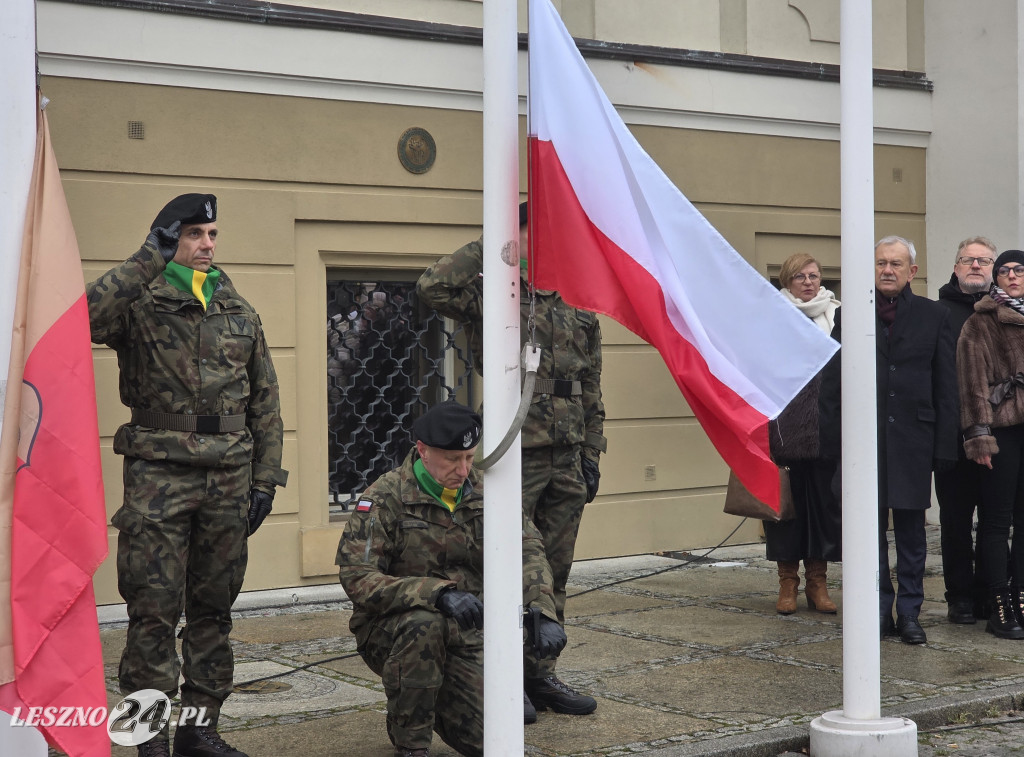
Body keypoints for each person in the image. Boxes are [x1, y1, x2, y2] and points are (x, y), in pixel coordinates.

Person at [88, 194, 288, 757]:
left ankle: (200, 729)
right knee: (152, 609)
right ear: (168, 238)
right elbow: (84, 316)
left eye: (213, 234)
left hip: (229, 476)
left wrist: (266, 479)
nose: (207, 245)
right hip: (160, 475)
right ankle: (147, 734)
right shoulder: (139, 299)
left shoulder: (237, 308)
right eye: (195, 233)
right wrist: (144, 260)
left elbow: (266, 401)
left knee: (213, 608)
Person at [416, 202, 604, 715]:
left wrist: (592, 452)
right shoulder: (494, 292)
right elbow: (431, 287)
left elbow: (591, 386)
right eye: (532, 229)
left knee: (555, 572)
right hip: (512, 452)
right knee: (504, 568)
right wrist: (497, 246)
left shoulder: (577, 297)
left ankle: (540, 675)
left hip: (566, 456)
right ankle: (500, 677)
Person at [335, 401, 566, 757]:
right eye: (452, 460)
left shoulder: (488, 490)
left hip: (468, 631)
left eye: (470, 458)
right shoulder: (385, 497)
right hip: (393, 630)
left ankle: (424, 699)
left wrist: (543, 608)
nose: (463, 470)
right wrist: (435, 594)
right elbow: (358, 577)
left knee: (494, 741)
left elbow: (528, 549)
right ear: (423, 451)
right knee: (424, 624)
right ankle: (411, 742)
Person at [820, 235, 958, 645]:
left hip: (915, 440)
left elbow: (946, 386)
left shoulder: (935, 316)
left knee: (913, 534)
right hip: (866, 440)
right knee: (869, 531)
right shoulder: (852, 314)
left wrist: (945, 447)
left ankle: (910, 612)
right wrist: (832, 441)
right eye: (881, 263)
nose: (887, 270)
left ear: (911, 271)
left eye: (896, 264)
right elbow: (833, 381)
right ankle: (879, 609)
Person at [764, 253, 841, 615]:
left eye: (813, 275)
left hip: (827, 429)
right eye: (799, 277)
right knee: (785, 511)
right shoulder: (771, 318)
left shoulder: (837, 316)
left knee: (822, 509)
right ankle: (787, 584)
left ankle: (817, 583)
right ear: (786, 281)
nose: (808, 282)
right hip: (784, 432)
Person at [957, 249, 1024, 639]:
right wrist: (978, 434)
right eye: (1004, 271)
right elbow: (971, 385)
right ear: (996, 279)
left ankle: (1021, 598)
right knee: (997, 521)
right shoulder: (979, 322)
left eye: (1019, 270)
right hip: (1001, 430)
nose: (1012, 276)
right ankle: (1000, 605)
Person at [936, 237, 997, 624]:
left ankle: (992, 593)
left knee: (996, 520)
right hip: (952, 436)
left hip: (999, 436)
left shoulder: (1004, 310)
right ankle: (959, 595)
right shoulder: (936, 312)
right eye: (968, 260)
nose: (975, 265)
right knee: (955, 520)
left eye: (983, 260)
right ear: (956, 267)